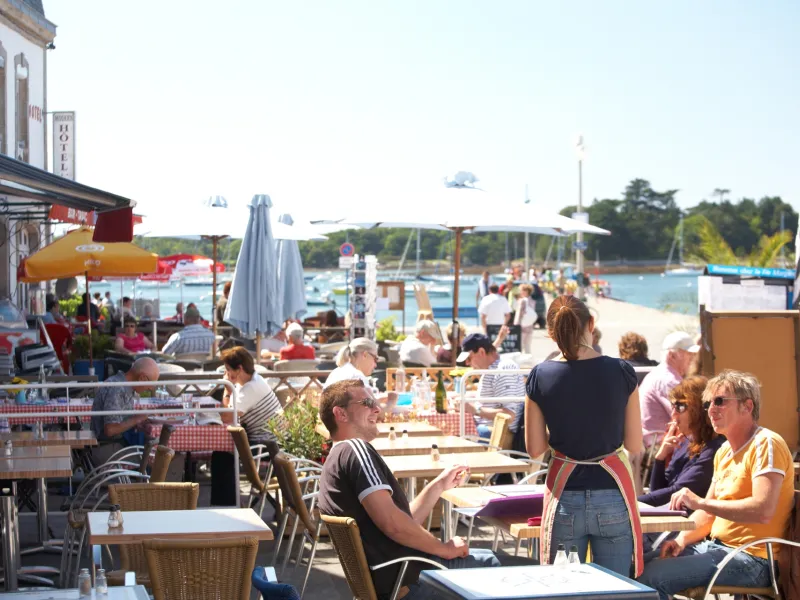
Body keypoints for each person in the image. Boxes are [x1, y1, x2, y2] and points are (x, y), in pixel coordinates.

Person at [318, 380, 511, 600]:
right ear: (341, 414)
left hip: (397, 580)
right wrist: (444, 549)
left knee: (494, 559)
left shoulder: (336, 458)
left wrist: (438, 485)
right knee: (519, 572)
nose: (377, 409)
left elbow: (402, 521)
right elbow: (393, 525)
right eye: (367, 403)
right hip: (412, 580)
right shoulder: (355, 449)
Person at [638, 370, 795, 600]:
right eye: (708, 403)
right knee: (638, 568)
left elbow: (763, 510)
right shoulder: (723, 451)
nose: (711, 409)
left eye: (720, 401)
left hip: (754, 558)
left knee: (651, 578)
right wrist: (681, 540)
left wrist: (701, 502)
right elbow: (708, 514)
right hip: (718, 549)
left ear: (747, 406)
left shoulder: (766, 444)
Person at [525, 295, 643, 576]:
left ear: (550, 333)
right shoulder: (622, 372)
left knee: (566, 589)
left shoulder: (540, 376)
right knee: (615, 591)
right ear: (591, 324)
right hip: (613, 493)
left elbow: (535, 449)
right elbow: (635, 444)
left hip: (565, 495)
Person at [638, 376, 725, 508]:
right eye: (673, 406)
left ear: (698, 409)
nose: (673, 414)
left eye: (680, 407)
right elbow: (658, 491)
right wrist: (660, 458)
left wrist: (630, 503)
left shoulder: (714, 449)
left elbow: (676, 491)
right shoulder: (685, 443)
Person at [213, 346, 283, 505]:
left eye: (228, 369)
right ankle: (227, 503)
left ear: (239, 369)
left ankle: (226, 504)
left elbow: (226, 417)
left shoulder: (250, 388)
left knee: (222, 454)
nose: (226, 373)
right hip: (271, 442)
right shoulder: (252, 381)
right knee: (222, 453)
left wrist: (227, 390)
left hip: (270, 447)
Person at [90, 357, 160, 464]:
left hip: (114, 444)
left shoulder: (125, 386)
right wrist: (137, 418)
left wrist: (138, 423)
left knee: (152, 451)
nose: (151, 388)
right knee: (153, 460)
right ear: (142, 378)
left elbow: (121, 422)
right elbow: (110, 430)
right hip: (107, 449)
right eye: (151, 384)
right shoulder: (117, 389)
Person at [458, 332, 524, 441]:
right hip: (488, 431)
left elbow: (509, 415)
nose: (467, 363)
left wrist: (475, 410)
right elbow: (494, 399)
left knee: (449, 433)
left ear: (481, 352)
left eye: (469, 358)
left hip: (495, 435)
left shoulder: (502, 370)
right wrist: (468, 398)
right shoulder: (492, 369)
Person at [639, 332, 699, 448]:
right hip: (658, 446)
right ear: (672, 356)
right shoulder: (668, 380)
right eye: (688, 354)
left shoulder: (660, 375)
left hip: (656, 443)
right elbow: (689, 416)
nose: (692, 359)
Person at [513, 283, 537, 354]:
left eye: (522, 290)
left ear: (526, 291)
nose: (521, 292)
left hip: (521, 326)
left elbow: (519, 314)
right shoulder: (532, 301)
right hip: (530, 325)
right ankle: (529, 360)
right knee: (527, 346)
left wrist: (515, 325)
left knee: (520, 346)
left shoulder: (522, 301)